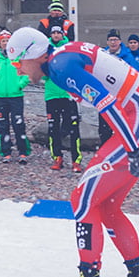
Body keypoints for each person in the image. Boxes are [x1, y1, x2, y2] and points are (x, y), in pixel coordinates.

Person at [7, 27, 139, 277]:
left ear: (31, 53)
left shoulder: (60, 65)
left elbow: (107, 105)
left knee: (82, 199)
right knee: (105, 206)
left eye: (18, 62)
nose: (18, 70)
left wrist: (133, 149)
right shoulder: (62, 58)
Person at [0, 29, 30, 163]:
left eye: (8, 41)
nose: (5, 43)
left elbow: (26, 71)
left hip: (16, 95)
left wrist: (20, 84)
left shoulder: (18, 56)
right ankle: (6, 152)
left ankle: (23, 152)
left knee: (18, 124)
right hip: (0, 96)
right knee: (3, 125)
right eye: (3, 41)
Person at [45, 25, 82, 172]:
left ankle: (76, 160)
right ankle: (57, 157)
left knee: (73, 128)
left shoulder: (69, 49)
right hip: (52, 94)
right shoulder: (45, 50)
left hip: (68, 95)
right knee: (53, 128)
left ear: (62, 34)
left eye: (58, 33)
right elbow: (41, 70)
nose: (55, 35)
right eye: (53, 33)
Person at [98, 28, 135, 144]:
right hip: (106, 97)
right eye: (111, 40)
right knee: (104, 130)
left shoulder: (128, 56)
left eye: (115, 40)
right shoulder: (102, 55)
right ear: (107, 42)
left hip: (121, 96)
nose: (113, 42)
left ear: (120, 41)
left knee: (122, 128)